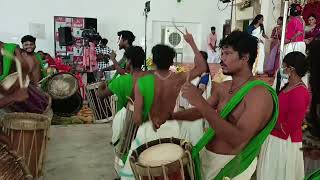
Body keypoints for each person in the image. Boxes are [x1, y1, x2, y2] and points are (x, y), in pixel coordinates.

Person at [172, 31, 279, 180]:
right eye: (222, 54)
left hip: (231, 167)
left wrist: (200, 102)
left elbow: (237, 138)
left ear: (245, 57)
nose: (222, 59)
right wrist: (171, 116)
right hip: (206, 158)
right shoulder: (224, 87)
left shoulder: (259, 95)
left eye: (227, 54)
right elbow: (198, 113)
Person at [119, 30, 207, 179]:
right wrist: (191, 42)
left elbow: (137, 119)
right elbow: (202, 68)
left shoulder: (142, 82)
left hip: (148, 130)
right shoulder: (177, 79)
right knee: (172, 171)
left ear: (153, 60)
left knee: (141, 172)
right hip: (171, 129)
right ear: (172, 61)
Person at [257, 52, 310, 180]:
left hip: (284, 143)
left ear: (291, 69)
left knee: (278, 174)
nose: (282, 68)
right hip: (275, 137)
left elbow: (292, 125)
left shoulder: (300, 92)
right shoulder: (289, 86)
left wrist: (268, 121)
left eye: (284, 66)